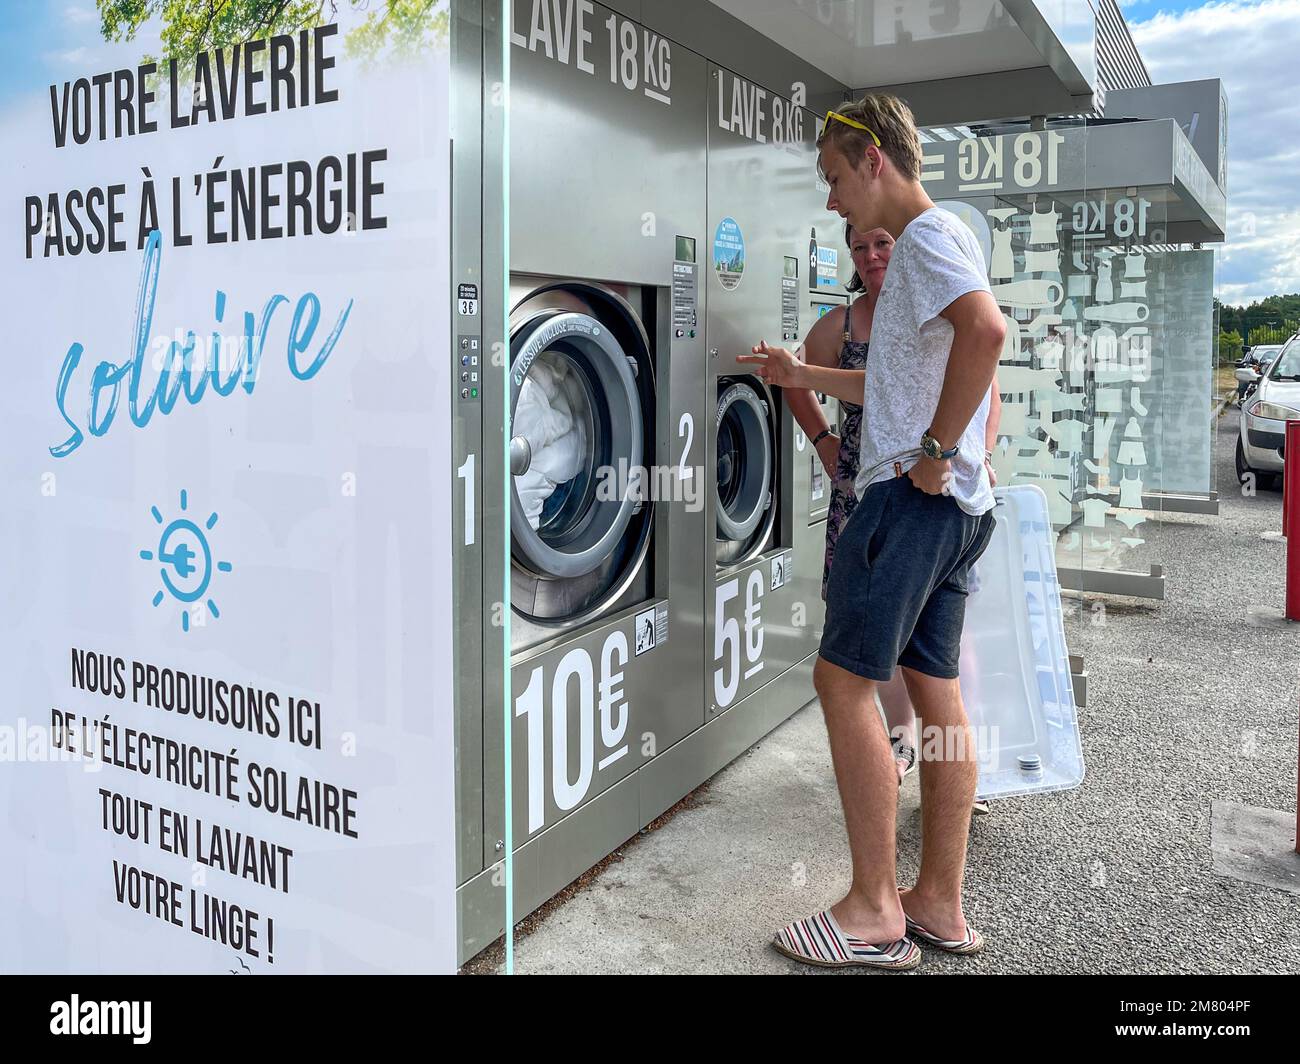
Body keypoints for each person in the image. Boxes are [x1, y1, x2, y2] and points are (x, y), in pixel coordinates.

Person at [760, 93, 1005, 971]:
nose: (833, 203)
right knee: (935, 693)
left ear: (871, 157)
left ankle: (872, 910)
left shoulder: (929, 239)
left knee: (841, 681)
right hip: (955, 511)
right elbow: (896, 382)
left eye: (833, 178)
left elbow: (988, 334)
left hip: (913, 502)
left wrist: (934, 455)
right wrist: (805, 374)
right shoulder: (934, 251)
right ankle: (936, 903)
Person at [741, 224, 1003, 811]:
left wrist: (973, 455)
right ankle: (901, 745)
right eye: (859, 246)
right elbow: (794, 377)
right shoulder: (843, 323)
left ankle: (942, 779)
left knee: (896, 662)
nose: (872, 254)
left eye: (882, 242)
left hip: (924, 491)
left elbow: (986, 389)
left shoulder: (929, 311)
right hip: (863, 491)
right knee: (877, 651)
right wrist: (824, 441)